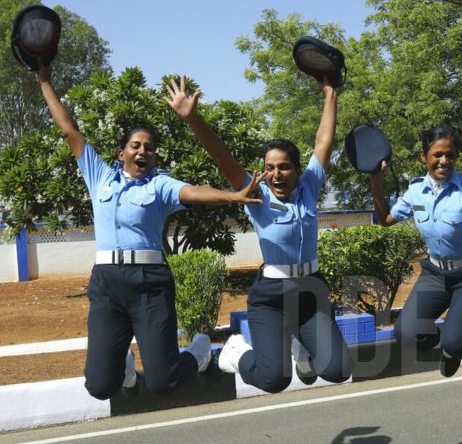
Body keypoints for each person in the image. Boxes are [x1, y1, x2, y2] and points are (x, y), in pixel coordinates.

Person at [35, 64, 264, 400]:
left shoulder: (159, 184)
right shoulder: (99, 176)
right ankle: (126, 369)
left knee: (163, 382)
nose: (143, 151)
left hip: (150, 282)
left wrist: (234, 195)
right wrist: (44, 80)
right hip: (108, 282)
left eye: (149, 147)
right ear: (122, 153)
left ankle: (200, 351)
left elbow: (195, 191)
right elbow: (69, 130)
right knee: (99, 386)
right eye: (136, 145)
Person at [165, 75, 353, 393]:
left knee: (338, 369)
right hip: (272, 297)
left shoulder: (310, 186)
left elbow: (323, 142)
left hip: (310, 292)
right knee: (273, 378)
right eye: (270, 167)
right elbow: (222, 156)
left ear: (297, 170)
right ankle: (235, 352)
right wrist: (193, 118)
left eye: (283, 167)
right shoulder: (257, 195)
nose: (276, 174)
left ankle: (303, 351)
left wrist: (330, 94)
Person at [368, 124, 462, 393]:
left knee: (458, 341)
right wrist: (376, 180)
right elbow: (386, 220)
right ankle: (451, 344)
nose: (444, 161)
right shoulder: (415, 191)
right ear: (424, 156)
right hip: (435, 274)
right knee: (405, 334)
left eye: (450, 155)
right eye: (437, 155)